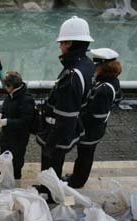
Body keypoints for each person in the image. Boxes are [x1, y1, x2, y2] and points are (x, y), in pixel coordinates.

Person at [36, 16, 96, 180]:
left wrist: (50, 143)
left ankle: (49, 194)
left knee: (51, 166)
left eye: (61, 43)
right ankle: (51, 190)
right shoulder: (88, 65)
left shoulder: (72, 76)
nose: (60, 46)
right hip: (69, 127)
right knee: (57, 163)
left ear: (69, 43)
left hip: (57, 132)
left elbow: (65, 116)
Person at [64, 48, 123, 188]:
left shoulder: (104, 89)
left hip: (90, 130)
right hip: (95, 129)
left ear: (102, 67)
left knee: (85, 156)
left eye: (94, 64)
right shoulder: (112, 81)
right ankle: (77, 177)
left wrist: (78, 120)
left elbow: (96, 116)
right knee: (85, 155)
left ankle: (77, 182)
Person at [0, 71, 34, 179]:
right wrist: (0, 113)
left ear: (11, 86)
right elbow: (5, 104)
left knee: (16, 159)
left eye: (6, 86)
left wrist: (6, 122)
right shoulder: (11, 94)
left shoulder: (27, 100)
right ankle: (5, 174)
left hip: (19, 137)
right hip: (7, 134)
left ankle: (16, 178)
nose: (5, 89)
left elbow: (25, 121)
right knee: (5, 156)